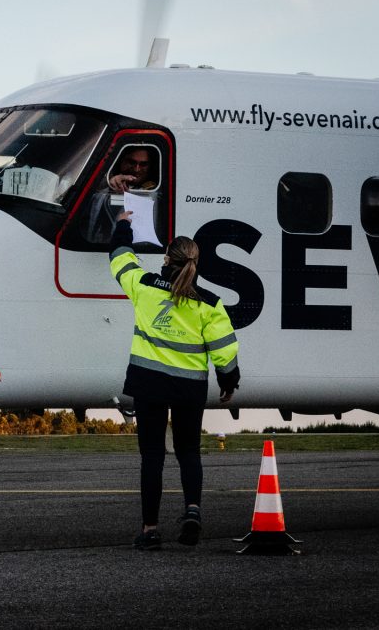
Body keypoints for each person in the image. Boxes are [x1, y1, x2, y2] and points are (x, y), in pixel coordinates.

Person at [108, 210, 240, 550]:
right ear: (195, 262)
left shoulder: (145, 287)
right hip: (188, 388)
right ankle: (192, 511)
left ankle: (150, 530)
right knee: (188, 452)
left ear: (166, 258)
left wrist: (123, 225)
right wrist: (228, 381)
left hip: (148, 384)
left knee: (152, 457)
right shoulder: (209, 304)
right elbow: (224, 349)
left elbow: (120, 260)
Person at [83, 146, 159, 245]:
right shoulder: (104, 186)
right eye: (131, 162)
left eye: (143, 164)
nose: (137, 169)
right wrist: (108, 183)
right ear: (121, 161)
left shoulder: (155, 192)